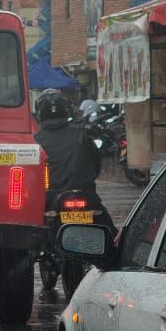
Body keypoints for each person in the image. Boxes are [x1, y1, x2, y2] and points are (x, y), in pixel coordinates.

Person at [34, 91, 114, 231]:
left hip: (49, 198)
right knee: (113, 238)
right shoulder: (81, 134)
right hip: (85, 194)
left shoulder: (35, 140)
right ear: (66, 110)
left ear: (40, 113)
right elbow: (96, 166)